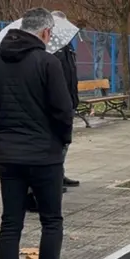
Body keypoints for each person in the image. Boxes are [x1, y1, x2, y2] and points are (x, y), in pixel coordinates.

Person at [0, 7, 74, 259]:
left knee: (10, 224)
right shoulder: (47, 62)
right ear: (45, 32)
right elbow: (62, 110)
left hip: (9, 155)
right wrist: (61, 141)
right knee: (51, 221)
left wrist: (2, 136)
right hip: (45, 156)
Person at [50, 10, 79, 189]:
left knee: (65, 141)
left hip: (69, 100)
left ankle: (59, 173)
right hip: (58, 103)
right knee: (56, 142)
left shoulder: (67, 46)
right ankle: (53, 177)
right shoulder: (51, 48)